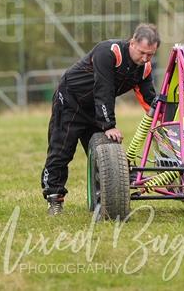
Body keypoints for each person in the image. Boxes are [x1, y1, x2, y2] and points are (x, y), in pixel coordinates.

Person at [41, 23, 160, 215]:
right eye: (142, 52)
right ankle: (54, 198)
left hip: (96, 108)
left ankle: (106, 201)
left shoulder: (143, 68)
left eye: (151, 55)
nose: (145, 59)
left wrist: (165, 119)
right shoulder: (109, 52)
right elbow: (103, 88)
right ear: (132, 43)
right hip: (71, 101)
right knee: (62, 150)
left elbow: (149, 100)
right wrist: (108, 125)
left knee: (105, 153)